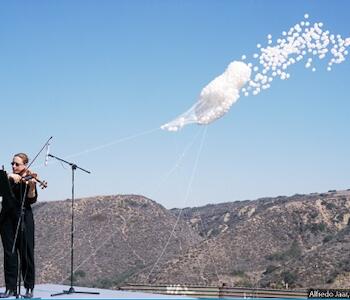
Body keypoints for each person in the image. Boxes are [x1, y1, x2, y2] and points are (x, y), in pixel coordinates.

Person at [0, 153, 37, 298]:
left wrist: (32, 185)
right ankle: (10, 288)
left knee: (26, 253)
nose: (14, 167)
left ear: (25, 165)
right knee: (9, 253)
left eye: (17, 164)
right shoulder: (8, 178)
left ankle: (29, 287)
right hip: (6, 219)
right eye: (12, 164)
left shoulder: (28, 179)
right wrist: (9, 176)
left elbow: (31, 199)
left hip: (23, 219)